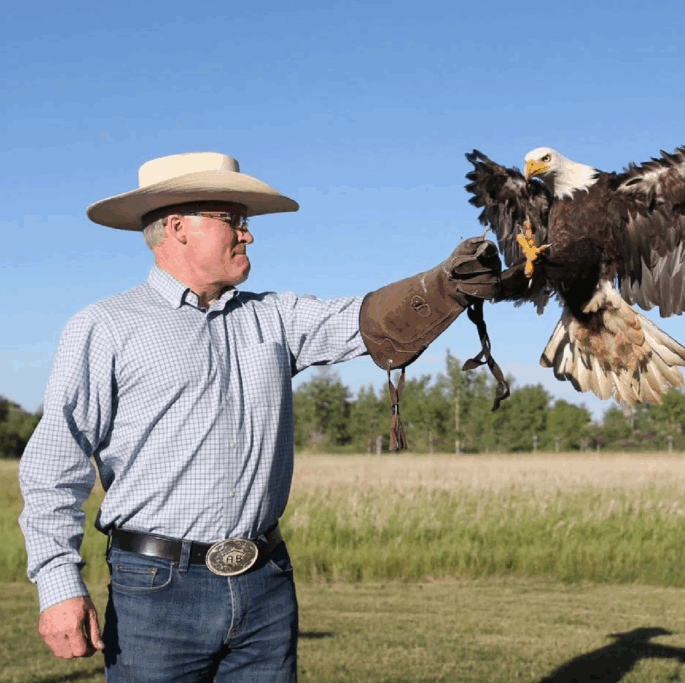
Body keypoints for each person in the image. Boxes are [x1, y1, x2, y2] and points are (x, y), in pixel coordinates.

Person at [18, 151, 501, 682]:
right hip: (153, 589)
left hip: (264, 581)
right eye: (233, 220)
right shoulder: (105, 326)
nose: (248, 234)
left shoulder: (272, 316)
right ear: (178, 227)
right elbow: (53, 465)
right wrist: (58, 583)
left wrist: (445, 284)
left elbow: (365, 320)